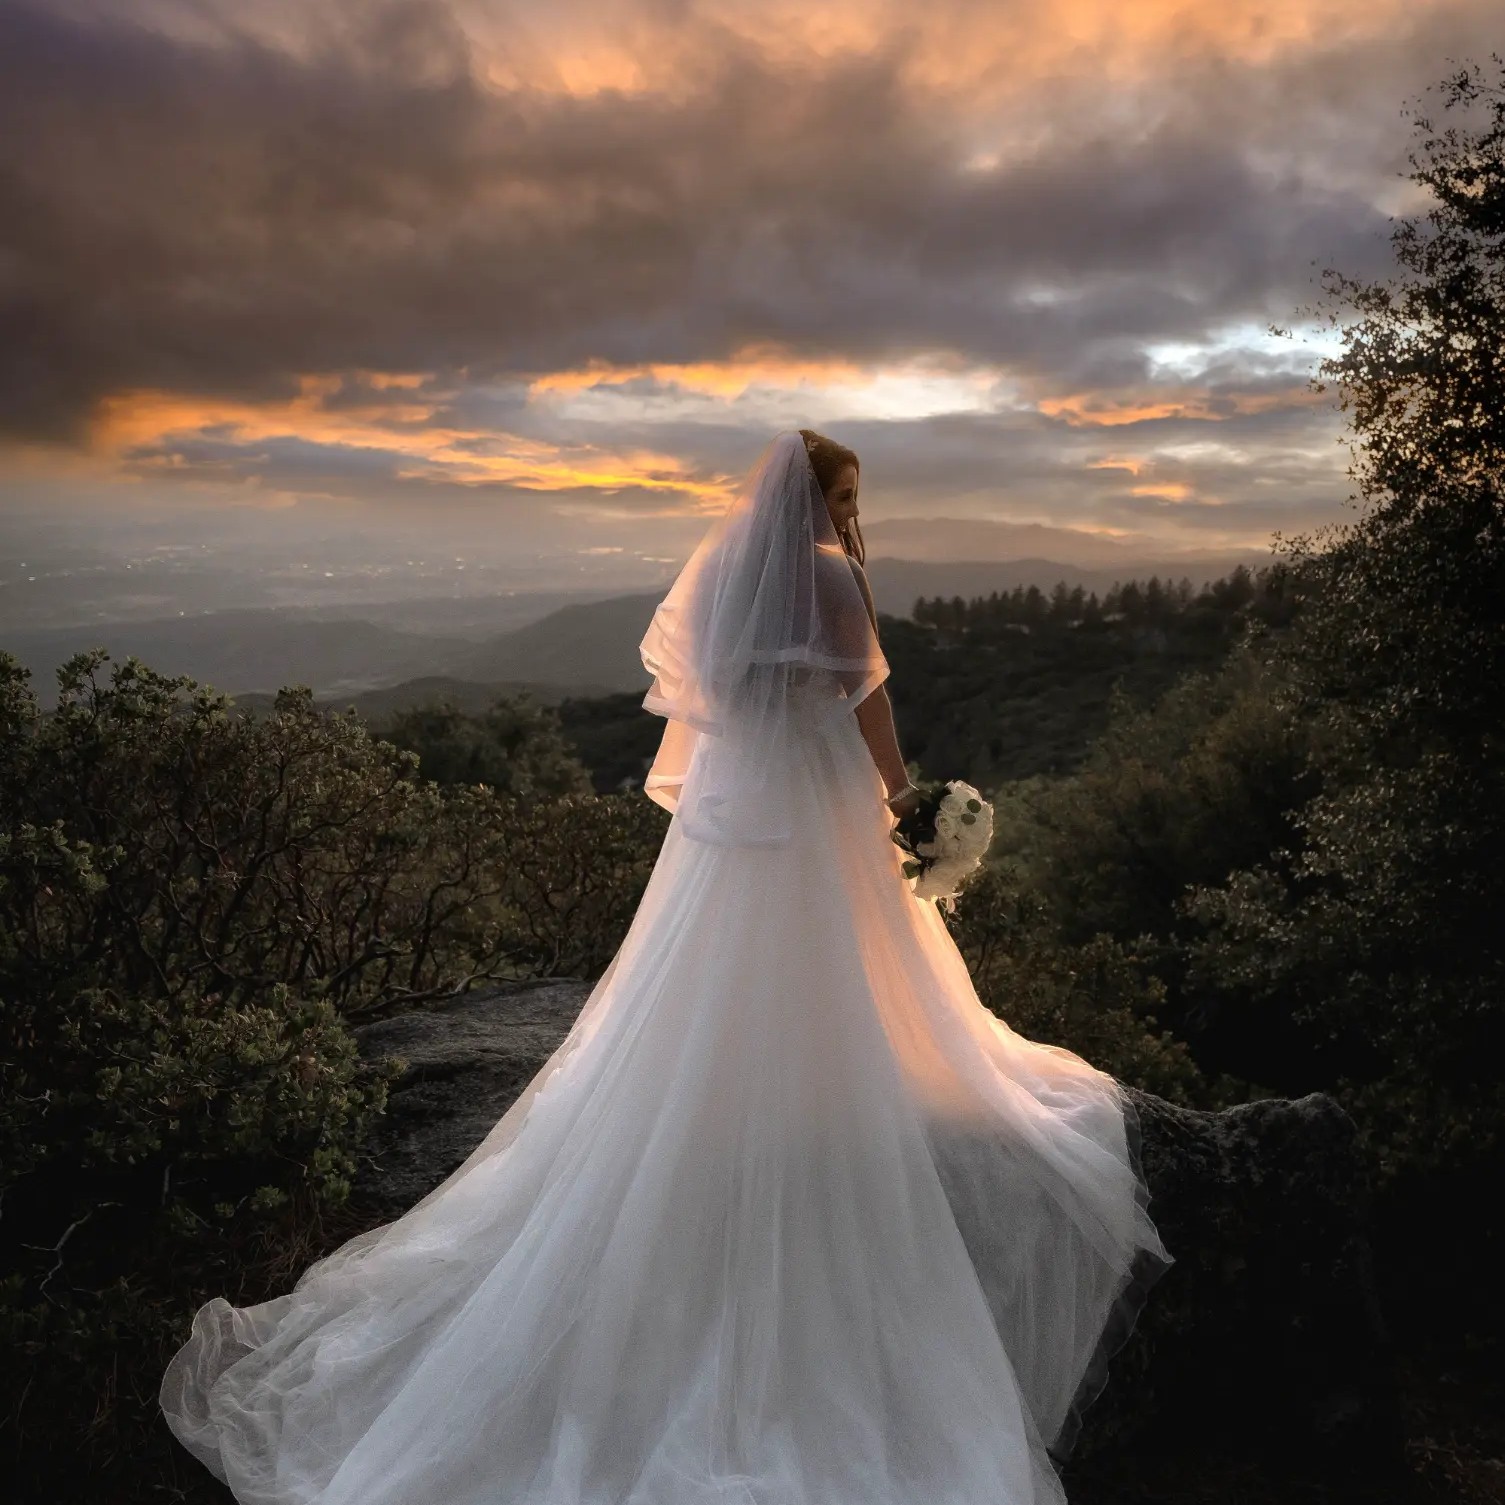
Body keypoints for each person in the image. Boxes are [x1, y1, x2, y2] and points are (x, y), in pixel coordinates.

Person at [160, 428, 1175, 1505]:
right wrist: (904, 801)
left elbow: (716, 699)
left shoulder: (731, 575)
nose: (846, 513)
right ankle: (828, 1092)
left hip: (742, 804)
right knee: (841, 947)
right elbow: (866, 701)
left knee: (725, 958)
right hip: (818, 791)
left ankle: (743, 1093)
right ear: (810, 501)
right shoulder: (833, 579)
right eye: (840, 495)